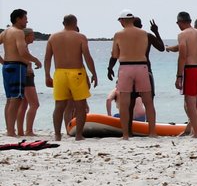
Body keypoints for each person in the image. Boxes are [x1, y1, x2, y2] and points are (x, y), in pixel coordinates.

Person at [43, 14, 98, 141]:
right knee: (80, 106)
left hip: (59, 73)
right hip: (76, 73)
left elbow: (47, 58)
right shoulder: (80, 37)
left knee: (59, 106)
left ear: (63, 23)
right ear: (75, 23)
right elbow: (87, 57)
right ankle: (78, 135)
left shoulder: (53, 37)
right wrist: (94, 73)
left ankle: (57, 134)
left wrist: (47, 74)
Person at [110, 10, 159, 138]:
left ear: (122, 21)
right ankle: (152, 133)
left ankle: (126, 134)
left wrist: (110, 68)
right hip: (142, 66)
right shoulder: (144, 34)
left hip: (125, 67)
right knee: (148, 102)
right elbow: (159, 47)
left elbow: (114, 55)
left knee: (125, 103)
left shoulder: (118, 34)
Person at [173, 11, 197, 138]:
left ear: (181, 22)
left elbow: (182, 56)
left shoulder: (182, 35)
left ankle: (196, 132)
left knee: (189, 101)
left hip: (190, 69)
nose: (178, 25)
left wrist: (178, 76)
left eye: (178, 23)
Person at [2, 9, 31, 137]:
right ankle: (10, 131)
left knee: (10, 100)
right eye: (25, 18)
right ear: (18, 19)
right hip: (17, 67)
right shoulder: (18, 32)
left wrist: (3, 62)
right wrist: (35, 60)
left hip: (8, 66)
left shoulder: (5, 32)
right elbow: (22, 52)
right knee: (16, 99)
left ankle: (10, 130)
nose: (27, 21)